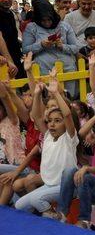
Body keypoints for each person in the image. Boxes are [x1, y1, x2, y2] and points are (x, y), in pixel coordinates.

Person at [14, 77, 78, 216]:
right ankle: (49, 217)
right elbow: (36, 116)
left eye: (57, 121)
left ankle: (56, 218)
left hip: (66, 186)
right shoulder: (48, 136)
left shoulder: (69, 138)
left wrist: (55, 93)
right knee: (19, 206)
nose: (52, 124)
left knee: (37, 199)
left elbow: (67, 115)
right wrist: (36, 94)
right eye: (50, 121)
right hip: (48, 185)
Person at [22, 0, 80, 97]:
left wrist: (62, 46)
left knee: (70, 98)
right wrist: (41, 45)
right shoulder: (32, 27)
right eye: (43, 21)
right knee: (49, 101)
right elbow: (25, 49)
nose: (47, 23)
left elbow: (76, 47)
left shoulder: (64, 26)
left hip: (68, 69)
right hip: (44, 71)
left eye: (49, 19)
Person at [0, 0, 22, 77]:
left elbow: (12, 37)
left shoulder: (10, 14)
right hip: (4, 64)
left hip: (15, 60)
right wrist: (9, 60)